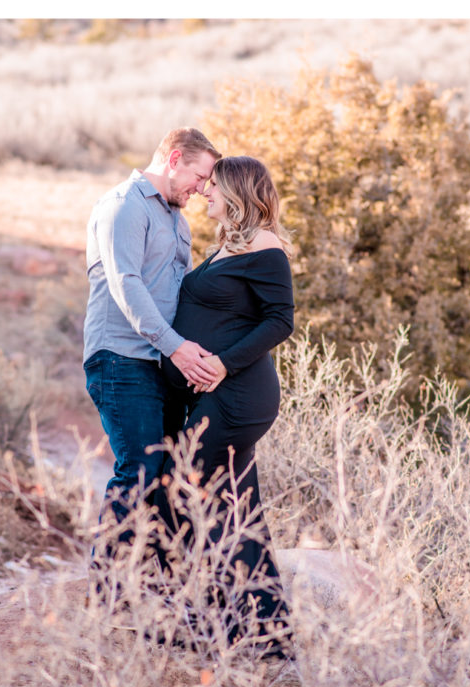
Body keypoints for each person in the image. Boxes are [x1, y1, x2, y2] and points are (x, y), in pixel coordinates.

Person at [162, 155, 295, 656]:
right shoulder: (226, 245)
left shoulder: (266, 247)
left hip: (241, 393)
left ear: (238, 191)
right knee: (237, 508)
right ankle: (265, 633)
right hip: (221, 392)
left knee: (190, 488)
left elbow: (281, 321)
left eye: (213, 186)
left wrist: (221, 363)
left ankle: (219, 621)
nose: (205, 193)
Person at [83, 127, 221, 574]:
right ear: (175, 158)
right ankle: (107, 588)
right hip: (121, 358)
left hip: (160, 364)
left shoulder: (178, 221)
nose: (201, 190)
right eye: (199, 177)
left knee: (164, 477)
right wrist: (178, 349)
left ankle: (154, 581)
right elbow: (127, 284)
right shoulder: (124, 205)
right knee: (139, 470)